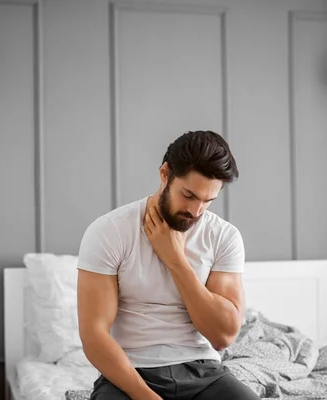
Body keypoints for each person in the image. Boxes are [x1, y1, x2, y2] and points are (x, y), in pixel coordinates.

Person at [77, 130, 259, 400]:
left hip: (203, 374)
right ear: (165, 173)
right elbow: (93, 336)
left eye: (207, 201)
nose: (196, 212)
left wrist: (175, 259)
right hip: (129, 375)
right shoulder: (109, 231)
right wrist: (147, 397)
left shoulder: (223, 236)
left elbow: (223, 335)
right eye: (188, 195)